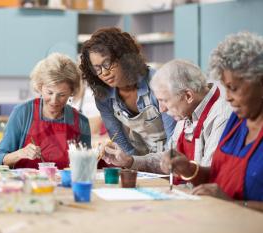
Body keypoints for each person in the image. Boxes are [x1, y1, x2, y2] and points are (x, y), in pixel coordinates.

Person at [160, 32, 263, 211]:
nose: (228, 98)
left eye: (233, 88)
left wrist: (234, 205)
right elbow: (217, 175)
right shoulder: (236, 122)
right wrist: (189, 169)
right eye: (225, 88)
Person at [102, 59, 232, 175]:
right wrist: (130, 161)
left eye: (164, 100)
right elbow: (167, 158)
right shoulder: (187, 112)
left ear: (188, 96)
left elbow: (210, 174)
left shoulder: (222, 116)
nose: (161, 109)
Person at [80, 27, 176, 156]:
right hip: (140, 153)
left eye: (107, 63)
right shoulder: (104, 96)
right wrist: (133, 162)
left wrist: (166, 163)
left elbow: (173, 135)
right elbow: (117, 136)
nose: (104, 73)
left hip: (171, 153)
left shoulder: (158, 83)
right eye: (97, 68)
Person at [0, 53, 91, 169]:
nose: (54, 100)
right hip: (28, 185)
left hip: (65, 186)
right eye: (49, 93)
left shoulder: (80, 122)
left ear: (71, 92)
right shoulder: (23, 113)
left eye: (62, 95)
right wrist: (19, 154)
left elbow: (87, 167)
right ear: (40, 87)